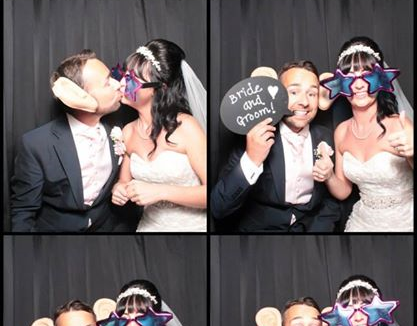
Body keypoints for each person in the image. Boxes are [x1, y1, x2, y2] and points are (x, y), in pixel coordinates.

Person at [210, 60, 341, 232]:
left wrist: (322, 227)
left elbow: (331, 198)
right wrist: (252, 159)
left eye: (312, 94)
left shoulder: (327, 137)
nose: (304, 102)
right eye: (293, 92)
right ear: (277, 95)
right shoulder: (253, 137)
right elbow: (218, 207)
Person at [11, 50, 130, 232]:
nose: (118, 84)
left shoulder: (120, 130)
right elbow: (23, 213)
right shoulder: (36, 145)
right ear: (80, 97)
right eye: (107, 82)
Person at [317, 37, 414, 232]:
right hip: (361, 224)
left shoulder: (400, 125)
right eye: (349, 77)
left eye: (367, 75)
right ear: (340, 84)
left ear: (381, 78)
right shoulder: (342, 131)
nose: (359, 85)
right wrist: (328, 175)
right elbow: (344, 191)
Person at [111, 39, 207, 232]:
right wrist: (119, 189)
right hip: (149, 228)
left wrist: (161, 191)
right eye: (123, 75)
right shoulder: (128, 131)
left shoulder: (186, 127)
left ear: (159, 89)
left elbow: (212, 194)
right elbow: (124, 181)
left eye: (131, 80)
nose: (121, 84)